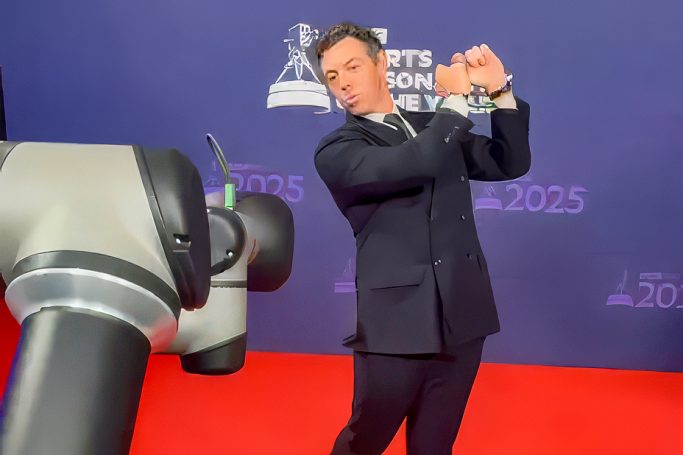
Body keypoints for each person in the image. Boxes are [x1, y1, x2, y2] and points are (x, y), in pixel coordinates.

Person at [313, 23, 531, 454]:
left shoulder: (431, 124)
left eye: (352, 67)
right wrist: (456, 99)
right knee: (364, 441)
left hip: (462, 317)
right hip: (396, 326)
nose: (343, 84)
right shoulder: (338, 149)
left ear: (381, 62)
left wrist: (499, 91)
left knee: (435, 445)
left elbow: (510, 162)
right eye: (333, 76)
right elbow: (417, 160)